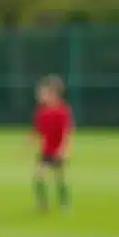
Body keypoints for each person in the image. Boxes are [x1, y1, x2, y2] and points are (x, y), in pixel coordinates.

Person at [33, 74, 74, 211]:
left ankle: (64, 203)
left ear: (53, 93)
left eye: (42, 93)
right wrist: (28, 143)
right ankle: (43, 204)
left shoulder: (62, 111)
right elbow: (38, 131)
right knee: (38, 176)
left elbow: (66, 132)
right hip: (46, 151)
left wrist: (63, 149)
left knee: (59, 178)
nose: (39, 95)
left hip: (57, 150)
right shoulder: (41, 112)